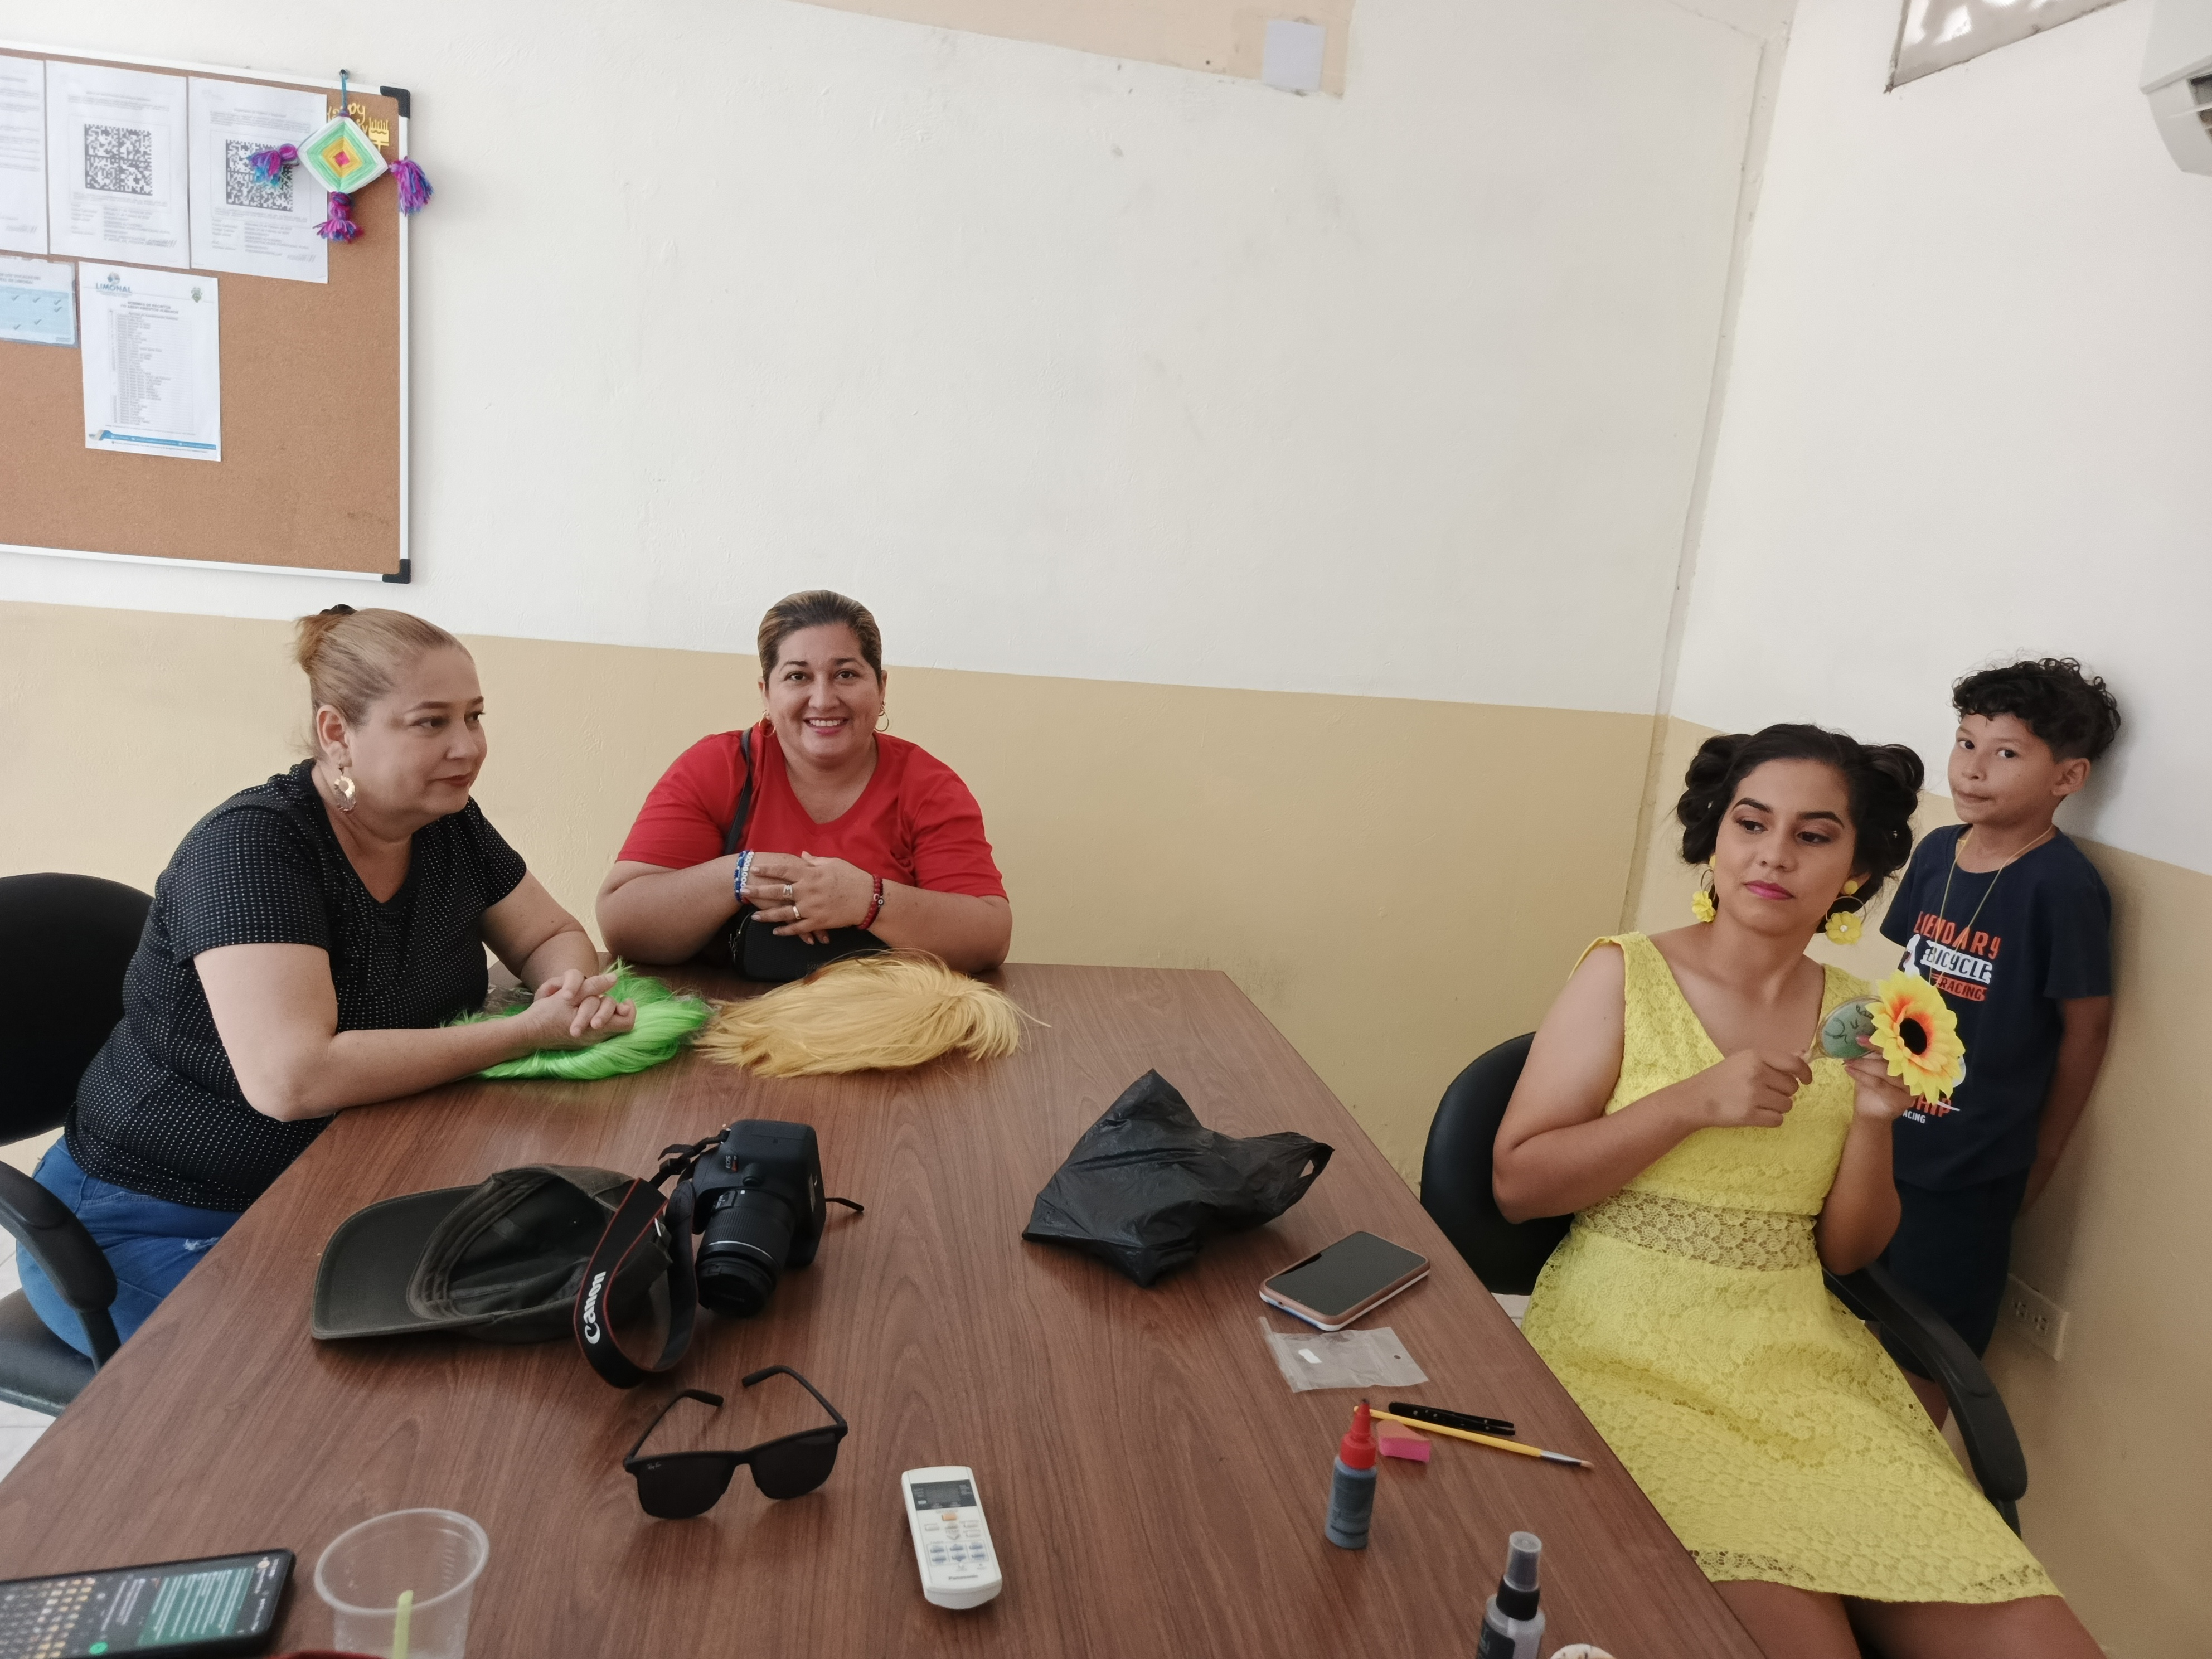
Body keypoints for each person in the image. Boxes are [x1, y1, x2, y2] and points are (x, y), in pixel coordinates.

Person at [1493, 726, 2098, 1659]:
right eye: (1751, 823)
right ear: (1715, 837)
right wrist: (1688, 1104)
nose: (1774, 854)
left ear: (1856, 869)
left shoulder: (1865, 1015)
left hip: (1801, 1368)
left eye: (1813, 835)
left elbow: (1847, 1253)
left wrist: (1873, 1119)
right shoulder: (1623, 972)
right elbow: (1516, 1185)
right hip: (1627, 1350)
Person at [19, 607, 637, 1355]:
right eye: (431, 722)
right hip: (145, 1221)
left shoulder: (447, 822)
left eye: (474, 716)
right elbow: (294, 1079)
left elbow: (549, 934)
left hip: (338, 1186)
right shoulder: (251, 849)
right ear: (337, 731)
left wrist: (565, 990)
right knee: (349, 1388)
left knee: (565, 1297)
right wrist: (523, 1034)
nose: (468, 746)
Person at [1876, 659, 2118, 1425]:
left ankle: (1902, 1484)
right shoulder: (1935, 852)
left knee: (1927, 1353)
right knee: (1851, 1319)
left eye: (2005, 752)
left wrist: (2041, 1155)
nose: (1972, 769)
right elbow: (1906, 980)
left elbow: (2086, 1030)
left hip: (1969, 1165)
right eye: (1965, 743)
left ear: (2067, 777)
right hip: (1882, 1134)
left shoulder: (2061, 886)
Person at [597, 590, 1011, 973]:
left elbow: (989, 937)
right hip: (730, 1016)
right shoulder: (718, 767)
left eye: (846, 674)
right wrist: (741, 875)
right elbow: (622, 925)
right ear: (766, 693)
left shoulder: (928, 785)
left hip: (890, 1014)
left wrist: (867, 900)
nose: (824, 700)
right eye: (798, 677)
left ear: (881, 687)